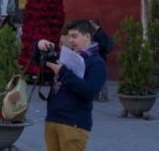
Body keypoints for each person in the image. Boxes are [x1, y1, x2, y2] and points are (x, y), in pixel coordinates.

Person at [36, 19, 107, 151]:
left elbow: (90, 91)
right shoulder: (68, 56)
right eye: (69, 37)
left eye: (75, 36)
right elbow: (39, 60)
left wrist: (63, 72)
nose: (70, 41)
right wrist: (40, 45)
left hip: (74, 124)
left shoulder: (97, 63)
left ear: (87, 37)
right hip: (52, 119)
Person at [90, 18, 114, 102]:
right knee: (96, 76)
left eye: (91, 24)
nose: (90, 26)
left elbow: (102, 45)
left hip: (101, 58)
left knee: (102, 78)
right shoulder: (97, 33)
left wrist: (93, 46)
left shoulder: (100, 33)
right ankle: (96, 96)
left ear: (94, 24)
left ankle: (104, 96)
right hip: (98, 57)